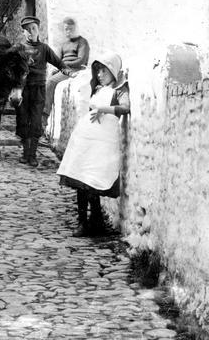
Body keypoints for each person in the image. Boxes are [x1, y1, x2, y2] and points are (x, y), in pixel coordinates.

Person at [56, 52, 130, 236]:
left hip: (103, 143)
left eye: (103, 71)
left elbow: (125, 108)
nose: (99, 75)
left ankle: (96, 221)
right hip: (87, 141)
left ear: (112, 72)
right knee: (82, 178)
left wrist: (104, 109)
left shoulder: (120, 89)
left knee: (94, 179)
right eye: (97, 71)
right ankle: (83, 222)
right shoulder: (97, 90)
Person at [15, 16, 67, 167]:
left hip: (38, 90)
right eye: (27, 30)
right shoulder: (19, 48)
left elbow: (59, 63)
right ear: (23, 33)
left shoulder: (44, 49)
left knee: (36, 122)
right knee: (23, 120)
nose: (31, 32)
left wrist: (69, 72)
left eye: (33, 29)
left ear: (38, 30)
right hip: (23, 90)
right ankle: (25, 153)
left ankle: (32, 155)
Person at [43, 17, 90, 123]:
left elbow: (81, 60)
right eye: (66, 29)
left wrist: (64, 65)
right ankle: (44, 115)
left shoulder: (82, 42)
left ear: (76, 29)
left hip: (75, 69)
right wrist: (58, 67)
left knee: (51, 81)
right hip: (64, 70)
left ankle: (44, 115)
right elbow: (57, 60)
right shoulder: (63, 44)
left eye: (71, 29)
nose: (68, 32)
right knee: (46, 81)